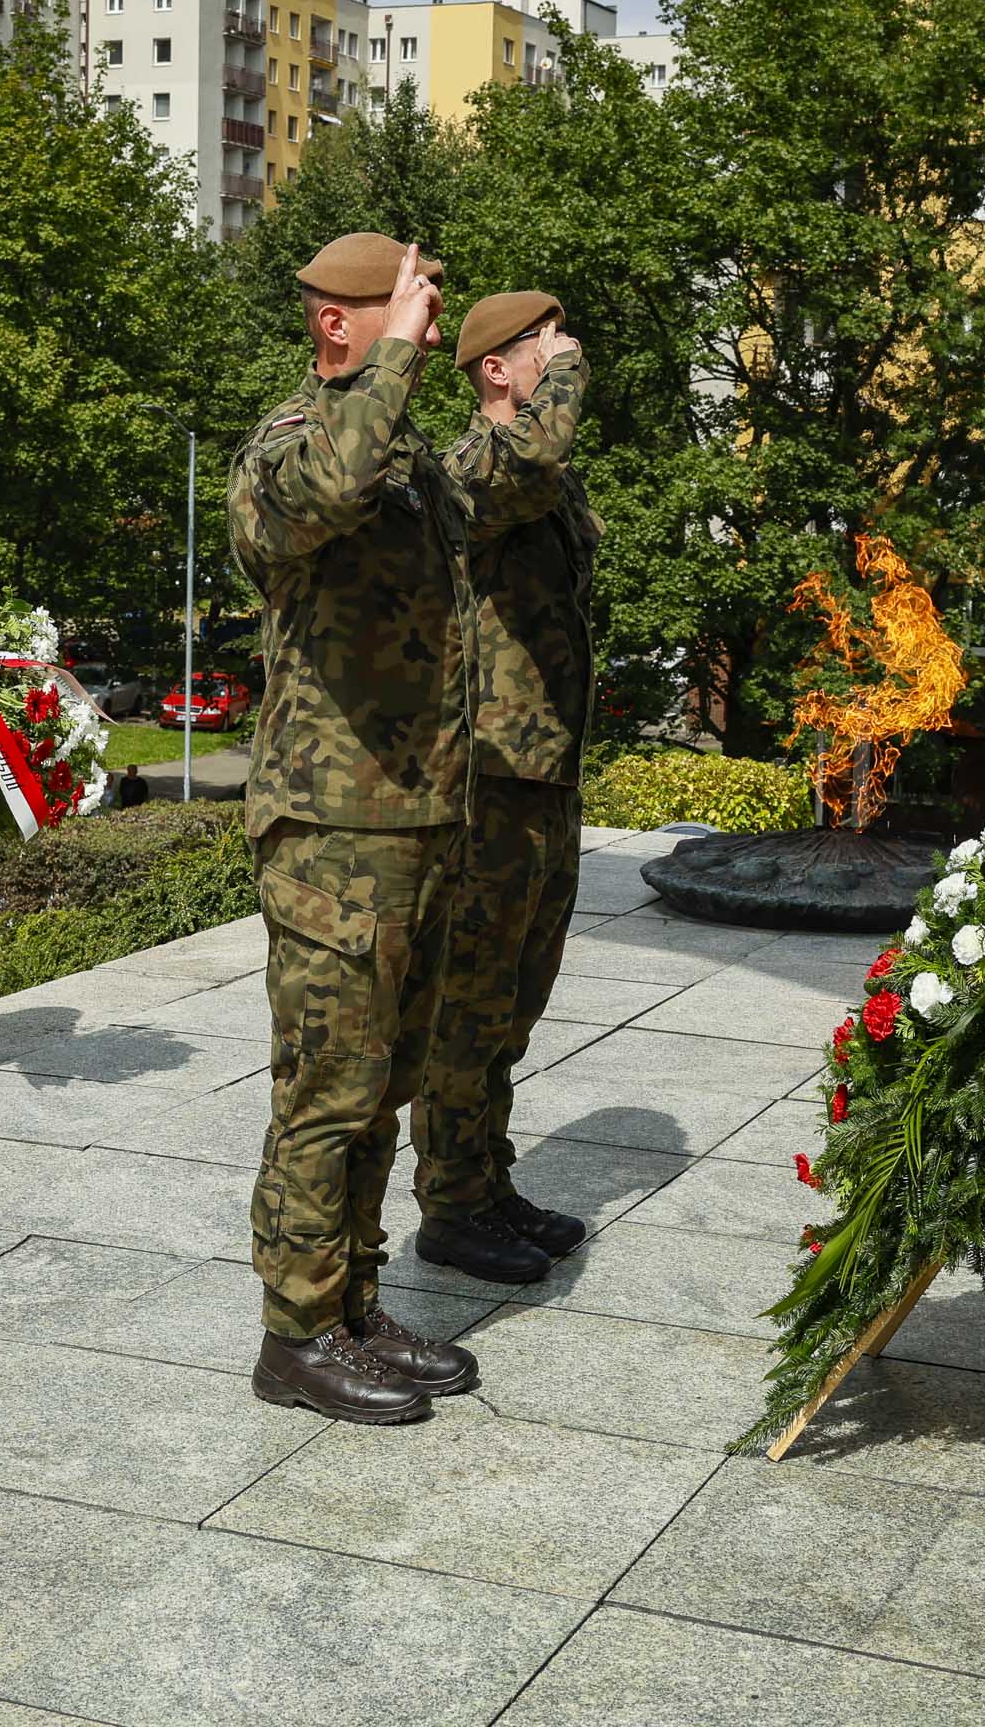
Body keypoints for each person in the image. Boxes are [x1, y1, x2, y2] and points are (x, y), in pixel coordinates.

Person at [227, 231, 483, 1425]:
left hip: (415, 813)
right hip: (330, 824)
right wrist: (395, 364)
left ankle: (355, 1302)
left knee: (384, 1083)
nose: (425, 323)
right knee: (326, 1088)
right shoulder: (289, 442)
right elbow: (325, 493)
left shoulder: (404, 446)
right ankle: (295, 1333)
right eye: (403, 305)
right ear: (339, 322)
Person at [413, 290, 597, 1285]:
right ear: (496, 367)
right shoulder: (468, 471)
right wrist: (568, 374)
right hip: (487, 775)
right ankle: (450, 1204)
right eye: (543, 345)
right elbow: (529, 459)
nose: (563, 355)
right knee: (470, 1001)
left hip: (543, 771)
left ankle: (487, 1180)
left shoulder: (544, 479)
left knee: (517, 999)